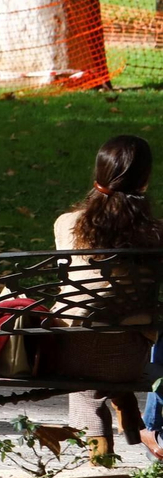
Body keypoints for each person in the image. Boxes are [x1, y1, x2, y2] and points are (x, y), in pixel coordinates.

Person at [54, 135, 163, 460]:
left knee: (86, 382)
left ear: (98, 174)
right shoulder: (157, 233)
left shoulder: (67, 225)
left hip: (70, 352)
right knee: (108, 354)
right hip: (130, 358)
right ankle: (128, 415)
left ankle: (99, 460)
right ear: (144, 180)